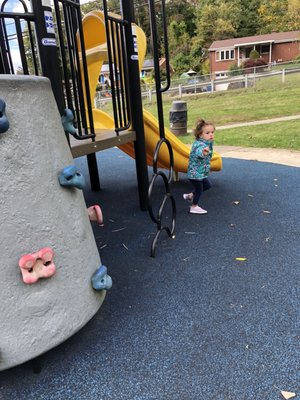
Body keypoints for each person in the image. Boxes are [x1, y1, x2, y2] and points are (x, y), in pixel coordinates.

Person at [183, 119, 215, 214]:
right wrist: (203, 152)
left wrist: (207, 169)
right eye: (207, 133)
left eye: (212, 132)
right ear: (200, 135)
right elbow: (199, 152)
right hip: (195, 173)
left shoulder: (207, 143)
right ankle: (194, 206)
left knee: (207, 186)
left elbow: (204, 160)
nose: (211, 135)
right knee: (199, 189)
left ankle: (190, 196)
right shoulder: (200, 144)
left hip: (200, 172)